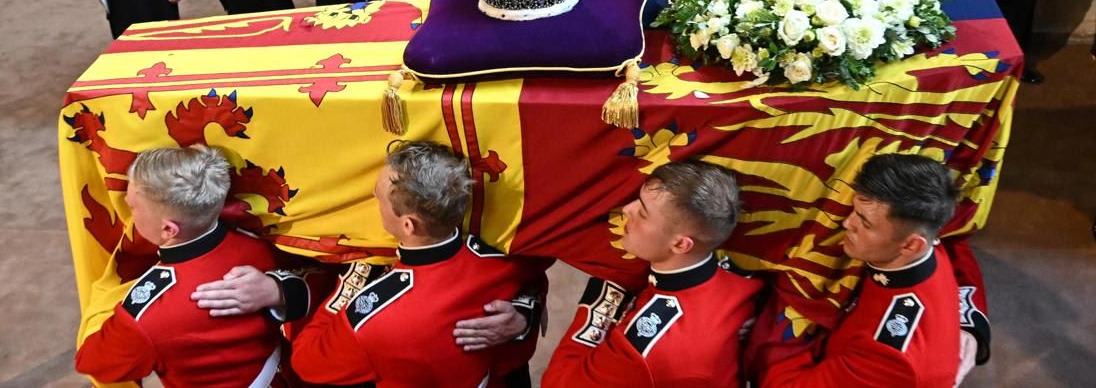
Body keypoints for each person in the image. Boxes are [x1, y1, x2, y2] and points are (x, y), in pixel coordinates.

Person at [290, 141, 544, 386]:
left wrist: (354, 280)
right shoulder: (502, 264)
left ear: (409, 225)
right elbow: (534, 275)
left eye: (379, 198)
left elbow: (306, 361)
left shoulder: (375, 319)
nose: (373, 196)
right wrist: (523, 316)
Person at [74, 145, 284, 387]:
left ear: (168, 230)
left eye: (132, 207)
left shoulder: (149, 313)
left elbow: (94, 364)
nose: (129, 214)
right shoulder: (263, 246)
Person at [543, 160, 762, 387]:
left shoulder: (646, 348)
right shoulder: (746, 281)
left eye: (643, 213)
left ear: (680, 245)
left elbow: (559, 382)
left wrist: (611, 284)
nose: (628, 209)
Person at [753, 153, 965, 387]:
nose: (847, 223)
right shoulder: (925, 249)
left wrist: (788, 306)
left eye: (865, 223)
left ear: (911, 245)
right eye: (854, 210)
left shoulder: (890, 359)